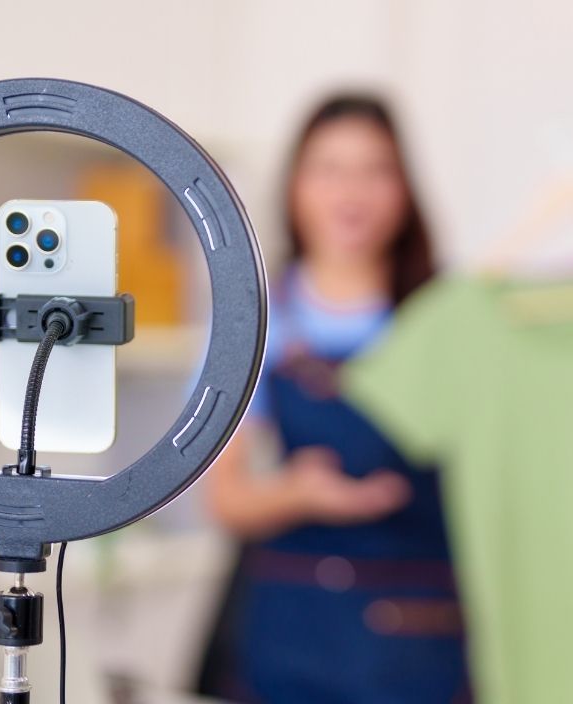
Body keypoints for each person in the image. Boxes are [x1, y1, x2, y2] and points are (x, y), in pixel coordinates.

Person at [194, 95, 470, 703]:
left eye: (375, 170)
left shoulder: (450, 316)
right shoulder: (255, 320)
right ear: (295, 185)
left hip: (419, 642)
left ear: (405, 189)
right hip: (288, 639)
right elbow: (226, 499)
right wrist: (297, 493)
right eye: (330, 169)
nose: (352, 193)